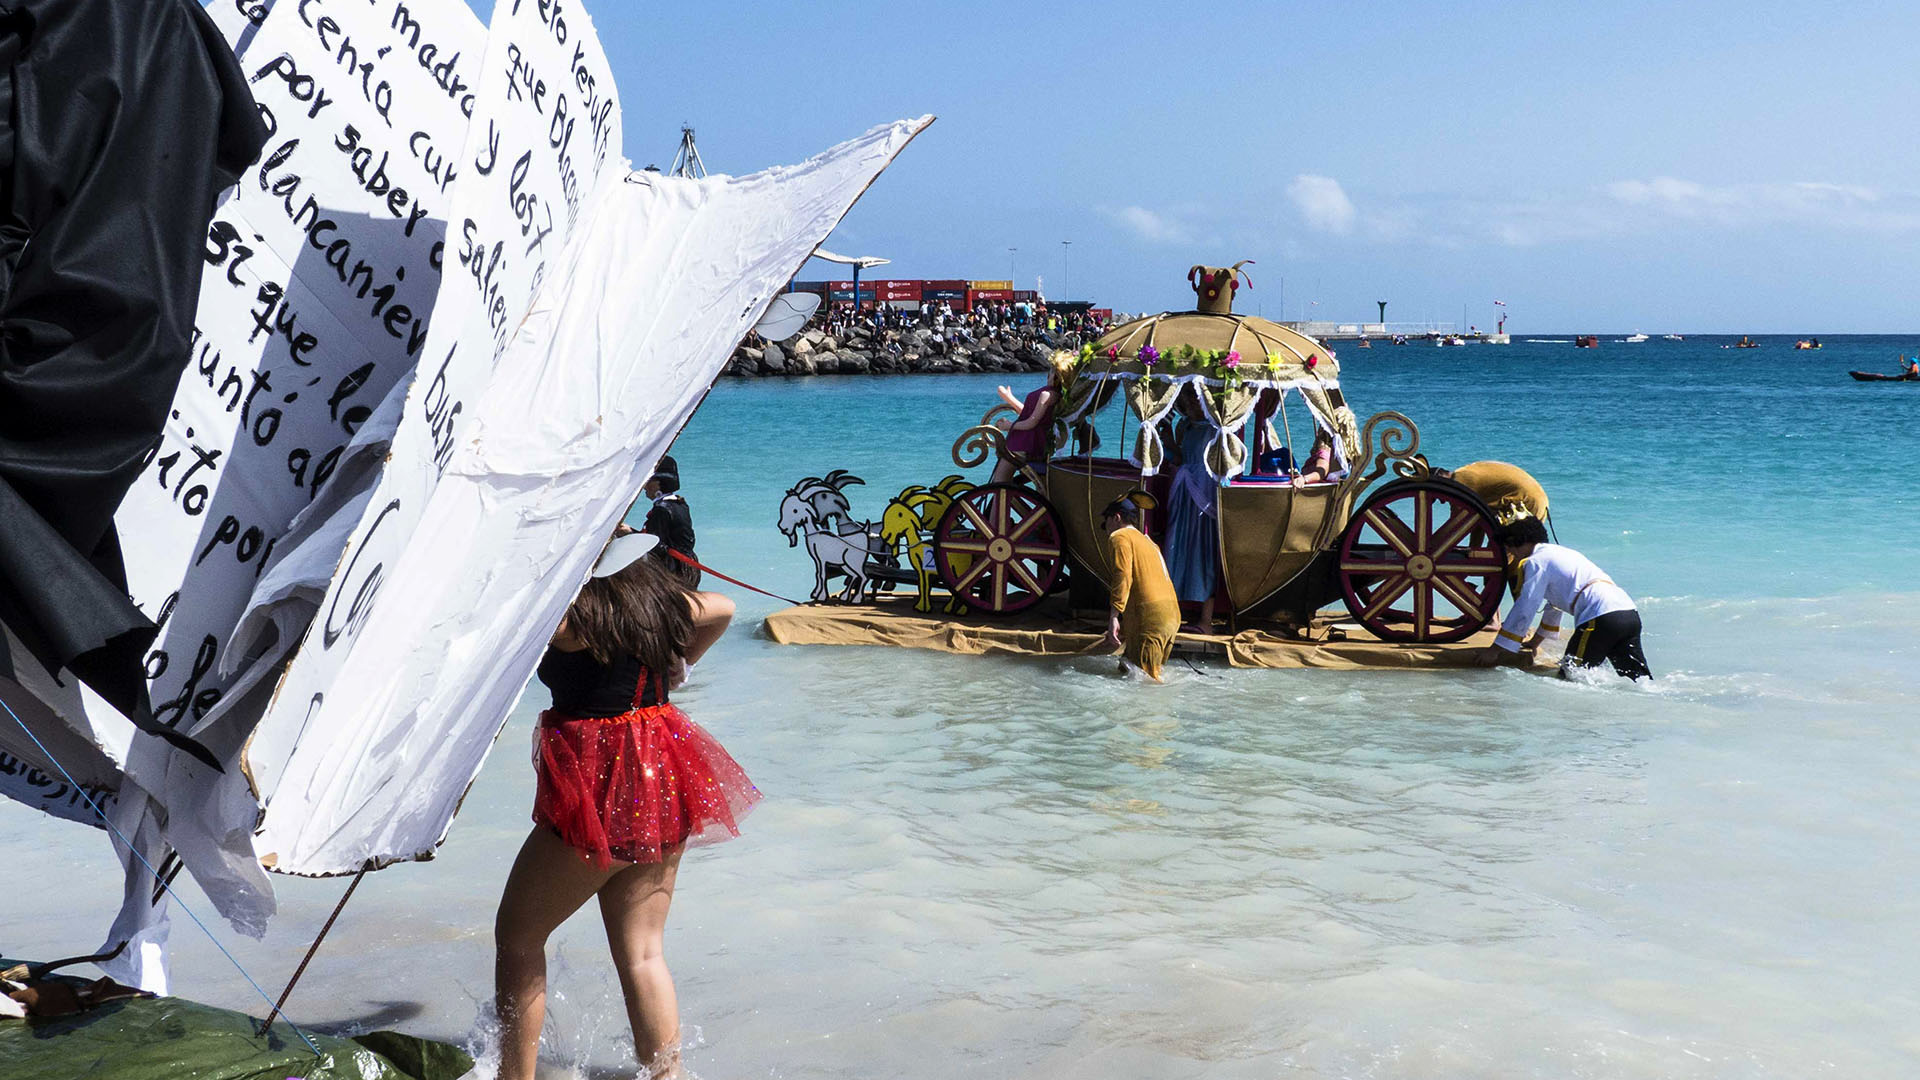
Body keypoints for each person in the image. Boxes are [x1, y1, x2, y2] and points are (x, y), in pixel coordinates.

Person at [494, 530, 757, 1080]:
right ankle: (666, 1077)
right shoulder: (657, 602)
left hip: (600, 780)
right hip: (663, 770)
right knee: (642, 952)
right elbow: (723, 606)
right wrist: (680, 667)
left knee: (518, 937)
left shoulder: (570, 618)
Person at [1474, 517, 1650, 681]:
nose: (1511, 552)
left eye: (1510, 547)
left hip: (1600, 617)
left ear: (1523, 541)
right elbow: (1554, 606)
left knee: (1571, 676)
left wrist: (1495, 650)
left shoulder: (1536, 561)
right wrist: (1535, 642)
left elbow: (1526, 605)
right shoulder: (1562, 554)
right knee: (1636, 679)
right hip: (1628, 613)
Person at [1099, 492, 1181, 682]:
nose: (1106, 530)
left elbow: (1123, 575)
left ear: (1116, 518)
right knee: (1129, 670)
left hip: (1151, 618)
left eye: (1106, 523)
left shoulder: (1119, 537)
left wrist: (1114, 616)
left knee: (1147, 682)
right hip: (1170, 616)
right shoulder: (1148, 542)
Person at [1161, 394, 1221, 632]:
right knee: (1176, 546)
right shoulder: (1184, 425)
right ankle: (1171, 611)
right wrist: (1167, 440)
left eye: (1196, 400)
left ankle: (1206, 620)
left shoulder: (1216, 427)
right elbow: (1180, 457)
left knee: (1204, 549)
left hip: (1204, 492)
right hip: (1185, 490)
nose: (1191, 405)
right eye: (1188, 401)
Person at [991, 362, 1064, 484]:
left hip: (1024, 444)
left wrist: (1008, 426)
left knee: (999, 482)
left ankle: (1000, 502)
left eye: (1051, 372)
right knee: (1001, 482)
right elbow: (1029, 414)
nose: (1048, 375)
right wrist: (1009, 398)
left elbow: (1032, 422)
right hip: (1027, 441)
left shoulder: (1047, 394)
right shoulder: (1054, 394)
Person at [641, 455, 700, 586]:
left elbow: (655, 545)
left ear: (657, 484)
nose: (644, 486)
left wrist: (630, 535)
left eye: (648, 481)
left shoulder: (661, 510)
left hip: (673, 569)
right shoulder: (680, 504)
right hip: (690, 567)